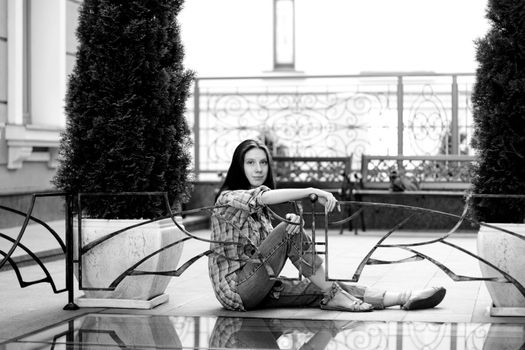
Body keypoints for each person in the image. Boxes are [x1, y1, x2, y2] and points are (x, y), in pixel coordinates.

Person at [208, 139, 446, 312]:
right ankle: (335, 295)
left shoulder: (259, 213)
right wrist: (311, 191)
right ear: (240, 166)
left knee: (322, 287)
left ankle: (402, 297)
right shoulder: (227, 198)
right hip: (237, 290)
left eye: (262, 163)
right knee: (291, 237)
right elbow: (261, 197)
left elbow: (266, 250)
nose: (258, 169)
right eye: (250, 163)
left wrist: (291, 226)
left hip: (260, 286)